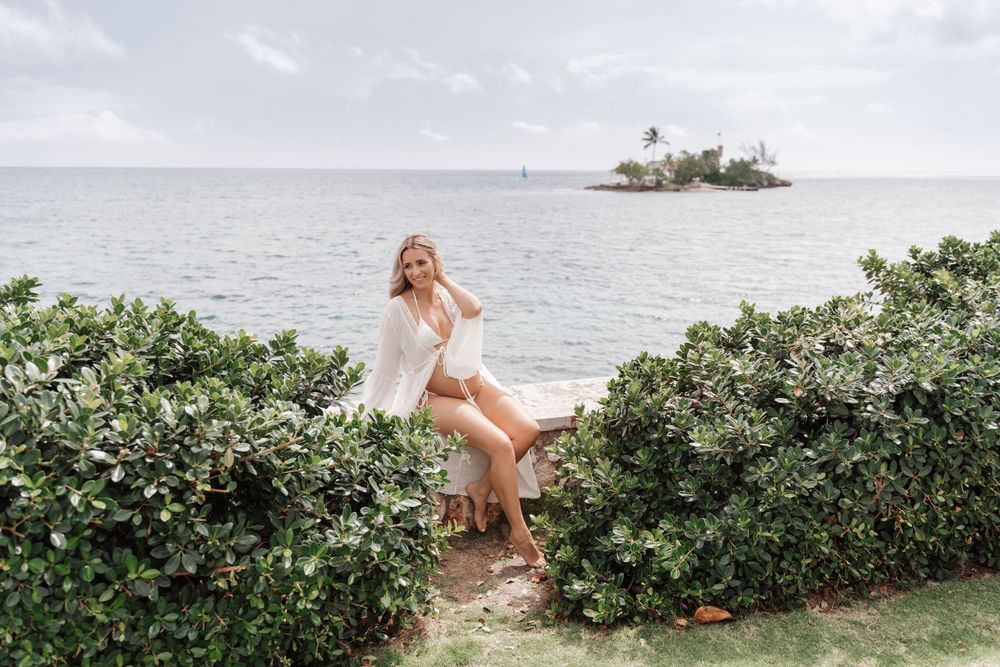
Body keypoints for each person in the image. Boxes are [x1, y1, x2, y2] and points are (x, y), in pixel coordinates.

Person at [361, 234, 545, 568]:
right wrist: (370, 419)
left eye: (422, 262)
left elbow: (474, 309)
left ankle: (482, 488)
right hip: (434, 399)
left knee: (527, 430)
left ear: (435, 262)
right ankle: (521, 534)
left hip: (476, 387)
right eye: (408, 266)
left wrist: (442, 278)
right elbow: (385, 370)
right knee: (501, 445)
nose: (415, 271)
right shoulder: (397, 309)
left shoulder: (446, 296)